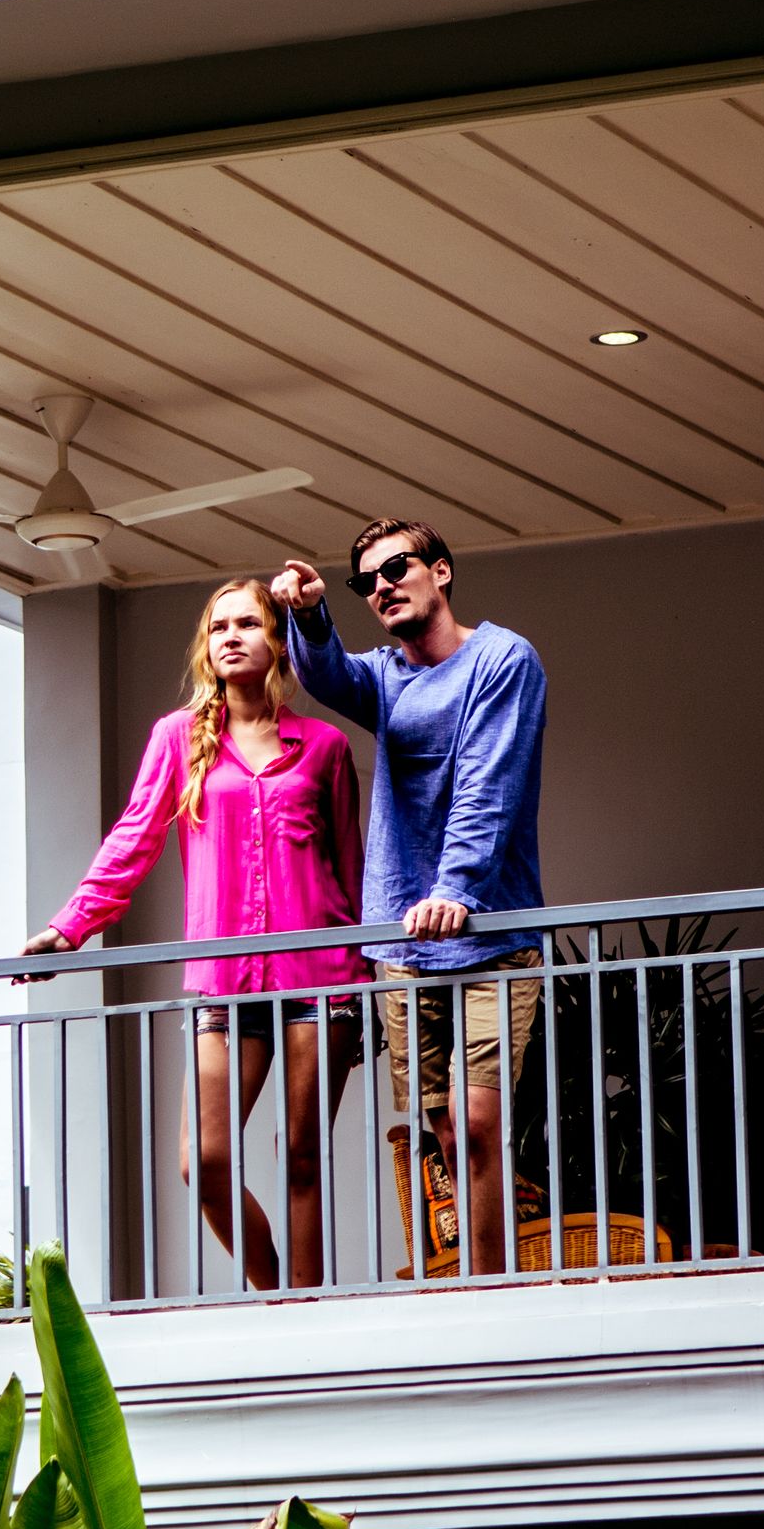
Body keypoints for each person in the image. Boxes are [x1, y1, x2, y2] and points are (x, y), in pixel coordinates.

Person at [18, 578, 367, 1289]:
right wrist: (70, 928)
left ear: (278, 641)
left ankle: (305, 1313)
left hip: (321, 975)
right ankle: (276, 1295)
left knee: (304, 1156)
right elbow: (133, 838)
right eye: (218, 627)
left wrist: (368, 974)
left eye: (248, 623)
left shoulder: (324, 747)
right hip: (224, 980)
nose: (231, 636)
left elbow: (354, 868)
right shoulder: (179, 740)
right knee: (203, 1161)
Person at [268, 521, 548, 1277]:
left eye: (398, 567)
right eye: (368, 580)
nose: (384, 585)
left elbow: (489, 782)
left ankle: (495, 1302)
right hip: (403, 944)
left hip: (491, 936)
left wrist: (456, 887)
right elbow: (327, 677)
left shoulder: (501, 658)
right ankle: (476, 1284)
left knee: (478, 1119)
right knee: (447, 1134)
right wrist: (309, 613)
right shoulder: (387, 676)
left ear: (442, 572)